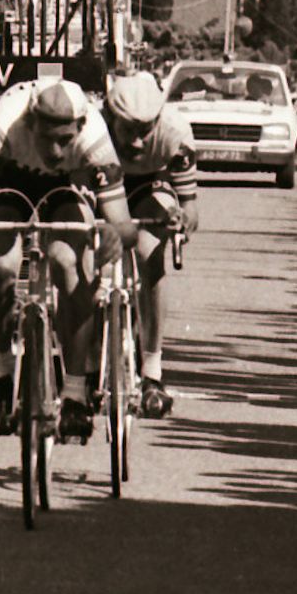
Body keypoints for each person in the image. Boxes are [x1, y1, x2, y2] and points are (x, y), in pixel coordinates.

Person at [0, 78, 137, 442]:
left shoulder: (95, 138)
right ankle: (2, 372)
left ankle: (74, 392)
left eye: (66, 140)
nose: (56, 151)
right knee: (2, 267)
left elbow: (123, 223)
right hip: (10, 181)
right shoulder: (6, 123)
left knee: (67, 262)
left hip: (65, 188)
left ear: (80, 128)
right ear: (30, 124)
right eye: (47, 138)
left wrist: (114, 235)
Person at [103, 72, 200, 417]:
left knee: (150, 254)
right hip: (102, 182)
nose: (137, 142)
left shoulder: (176, 134)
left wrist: (180, 221)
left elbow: (190, 208)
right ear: (110, 117)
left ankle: (153, 371)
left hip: (149, 184)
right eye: (128, 130)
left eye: (146, 131)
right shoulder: (92, 127)